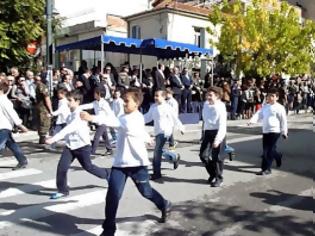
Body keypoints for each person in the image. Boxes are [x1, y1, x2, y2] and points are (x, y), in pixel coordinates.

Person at [80, 88, 172, 236]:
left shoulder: (134, 118)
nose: (123, 103)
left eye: (127, 101)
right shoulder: (126, 117)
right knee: (112, 196)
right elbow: (139, 131)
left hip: (137, 164)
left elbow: (117, 122)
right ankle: (109, 230)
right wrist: (148, 138)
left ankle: (164, 204)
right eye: (123, 100)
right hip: (120, 165)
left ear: (136, 103)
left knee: (146, 192)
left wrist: (92, 118)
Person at [45, 90, 109, 199]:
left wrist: (54, 139)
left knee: (89, 167)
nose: (68, 103)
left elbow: (69, 129)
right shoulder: (70, 114)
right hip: (70, 146)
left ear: (77, 102)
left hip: (82, 146)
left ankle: (108, 174)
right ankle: (63, 190)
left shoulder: (80, 114)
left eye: (70, 100)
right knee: (62, 167)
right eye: (67, 100)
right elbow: (67, 130)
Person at [144, 90, 184, 180]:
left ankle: (157, 173)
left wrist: (181, 127)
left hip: (165, 131)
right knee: (160, 150)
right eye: (155, 95)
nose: (155, 98)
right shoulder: (153, 106)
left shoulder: (167, 107)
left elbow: (175, 118)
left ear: (163, 97)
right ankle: (175, 157)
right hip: (158, 131)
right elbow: (148, 117)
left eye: (157, 96)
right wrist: (138, 120)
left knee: (157, 151)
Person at [248, 88, 288, 175]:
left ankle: (266, 169)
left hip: (275, 131)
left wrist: (284, 132)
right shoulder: (265, 106)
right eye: (269, 96)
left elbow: (283, 120)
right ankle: (278, 157)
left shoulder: (280, 108)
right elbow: (259, 114)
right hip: (265, 130)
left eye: (272, 96)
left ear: (277, 98)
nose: (270, 97)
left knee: (267, 151)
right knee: (270, 149)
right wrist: (252, 121)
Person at [199, 87, 227, 187]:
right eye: (207, 95)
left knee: (217, 158)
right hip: (208, 132)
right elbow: (205, 121)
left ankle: (219, 178)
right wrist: (203, 133)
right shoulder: (206, 105)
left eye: (210, 95)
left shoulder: (220, 107)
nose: (208, 97)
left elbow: (223, 125)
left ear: (217, 96)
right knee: (203, 155)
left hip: (218, 132)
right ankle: (213, 174)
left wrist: (218, 139)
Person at [0, 79, 29, 170]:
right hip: (3, 127)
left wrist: (20, 125)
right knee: (12, 145)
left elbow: (12, 113)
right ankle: (22, 160)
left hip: (3, 127)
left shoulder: (3, 100)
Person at [80, 87, 114, 156]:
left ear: (99, 94)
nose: (94, 94)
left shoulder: (104, 103)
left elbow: (110, 113)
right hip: (98, 122)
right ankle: (109, 149)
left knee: (96, 137)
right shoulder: (95, 102)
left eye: (95, 93)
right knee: (105, 137)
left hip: (103, 122)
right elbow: (88, 106)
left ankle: (92, 152)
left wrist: (108, 121)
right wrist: (78, 107)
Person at [34, 75, 53, 144]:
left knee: (41, 122)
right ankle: (43, 139)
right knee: (44, 122)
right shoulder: (42, 86)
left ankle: (42, 138)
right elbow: (47, 98)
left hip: (39, 107)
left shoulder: (37, 86)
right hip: (43, 108)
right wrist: (51, 110)